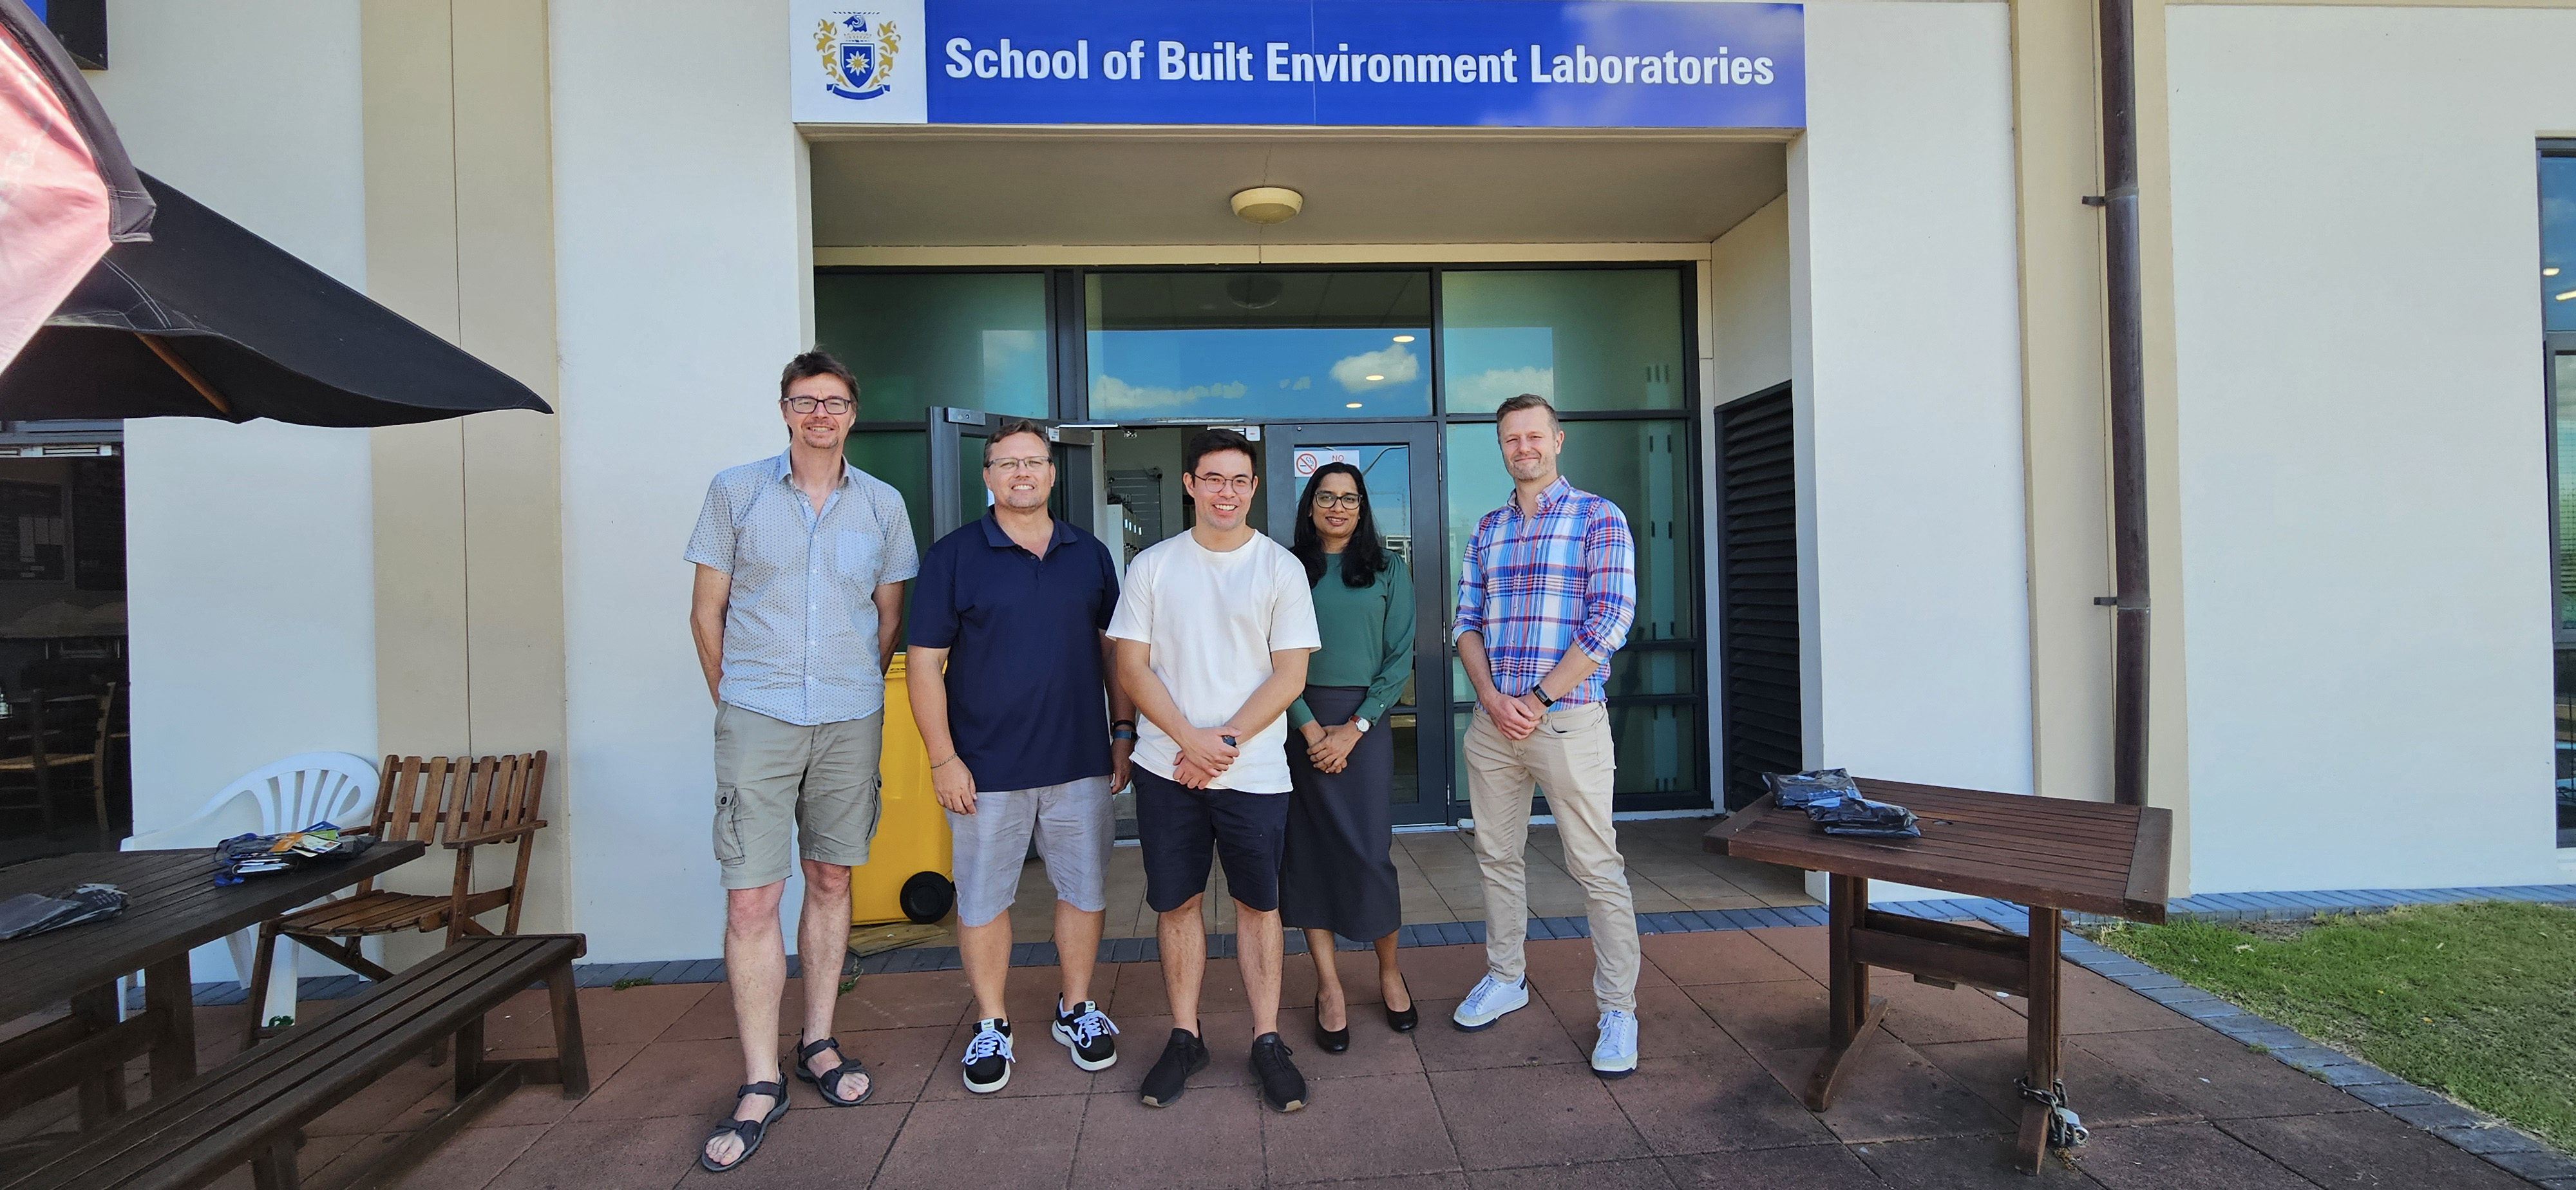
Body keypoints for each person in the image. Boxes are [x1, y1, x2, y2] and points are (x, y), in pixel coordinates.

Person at [685, 350, 916, 1173]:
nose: (821, 414)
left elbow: (888, 616)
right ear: (784, 410)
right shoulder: (735, 492)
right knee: (753, 897)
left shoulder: (884, 505)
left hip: (849, 718)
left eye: (835, 402)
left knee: (830, 880)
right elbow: (705, 610)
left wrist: (849, 679)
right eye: (805, 401)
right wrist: (737, 698)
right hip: (759, 715)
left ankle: (819, 1041)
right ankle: (759, 1077)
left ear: (854, 412)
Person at [907, 418, 1135, 1094]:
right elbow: (925, 666)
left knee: (1085, 891)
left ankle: (1076, 1007)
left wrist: (1122, 732)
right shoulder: (953, 556)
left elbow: (1114, 653)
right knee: (981, 901)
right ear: (987, 476)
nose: (1021, 474)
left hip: (1079, 760)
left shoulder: (1089, 554)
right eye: (1006, 464)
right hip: (985, 767)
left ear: (1052, 472)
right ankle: (992, 1022)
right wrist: (942, 758)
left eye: (1032, 462)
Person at [1105, 428, 1320, 1113]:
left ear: (1252, 488)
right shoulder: (1154, 567)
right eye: (1211, 478)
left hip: (1252, 773)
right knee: (1178, 903)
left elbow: (1290, 676)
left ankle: (1265, 1039)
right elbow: (1130, 666)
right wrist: (1186, 741)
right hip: (1167, 768)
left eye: (1238, 480)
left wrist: (1218, 744)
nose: (1225, 492)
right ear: (1191, 484)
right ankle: (1184, 1034)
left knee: (1260, 906)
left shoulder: (1279, 568)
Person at [1448, 393, 1642, 1079]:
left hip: (1568, 720)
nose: (1521, 448)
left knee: (1596, 867)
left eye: (1533, 436)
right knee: (1497, 858)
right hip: (1493, 724)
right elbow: (1464, 621)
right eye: (1509, 439)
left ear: (1557, 440)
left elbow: (1611, 618)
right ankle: (1507, 977)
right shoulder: (1487, 528)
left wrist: (1532, 698)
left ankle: (1618, 1007)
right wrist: (1493, 699)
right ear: (1500, 448)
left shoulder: (1597, 517)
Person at [1280, 462, 1417, 1053]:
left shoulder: (1388, 569)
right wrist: (1311, 731)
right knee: (1308, 855)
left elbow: (1401, 655)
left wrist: (1355, 728)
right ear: (1310, 504)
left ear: (1363, 509)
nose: (1338, 508)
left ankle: (1389, 974)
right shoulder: (1282, 569)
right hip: (1295, 719)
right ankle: (1329, 986)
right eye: (1326, 497)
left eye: (1350, 499)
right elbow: (1267, 658)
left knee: (1369, 852)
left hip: (1366, 724)